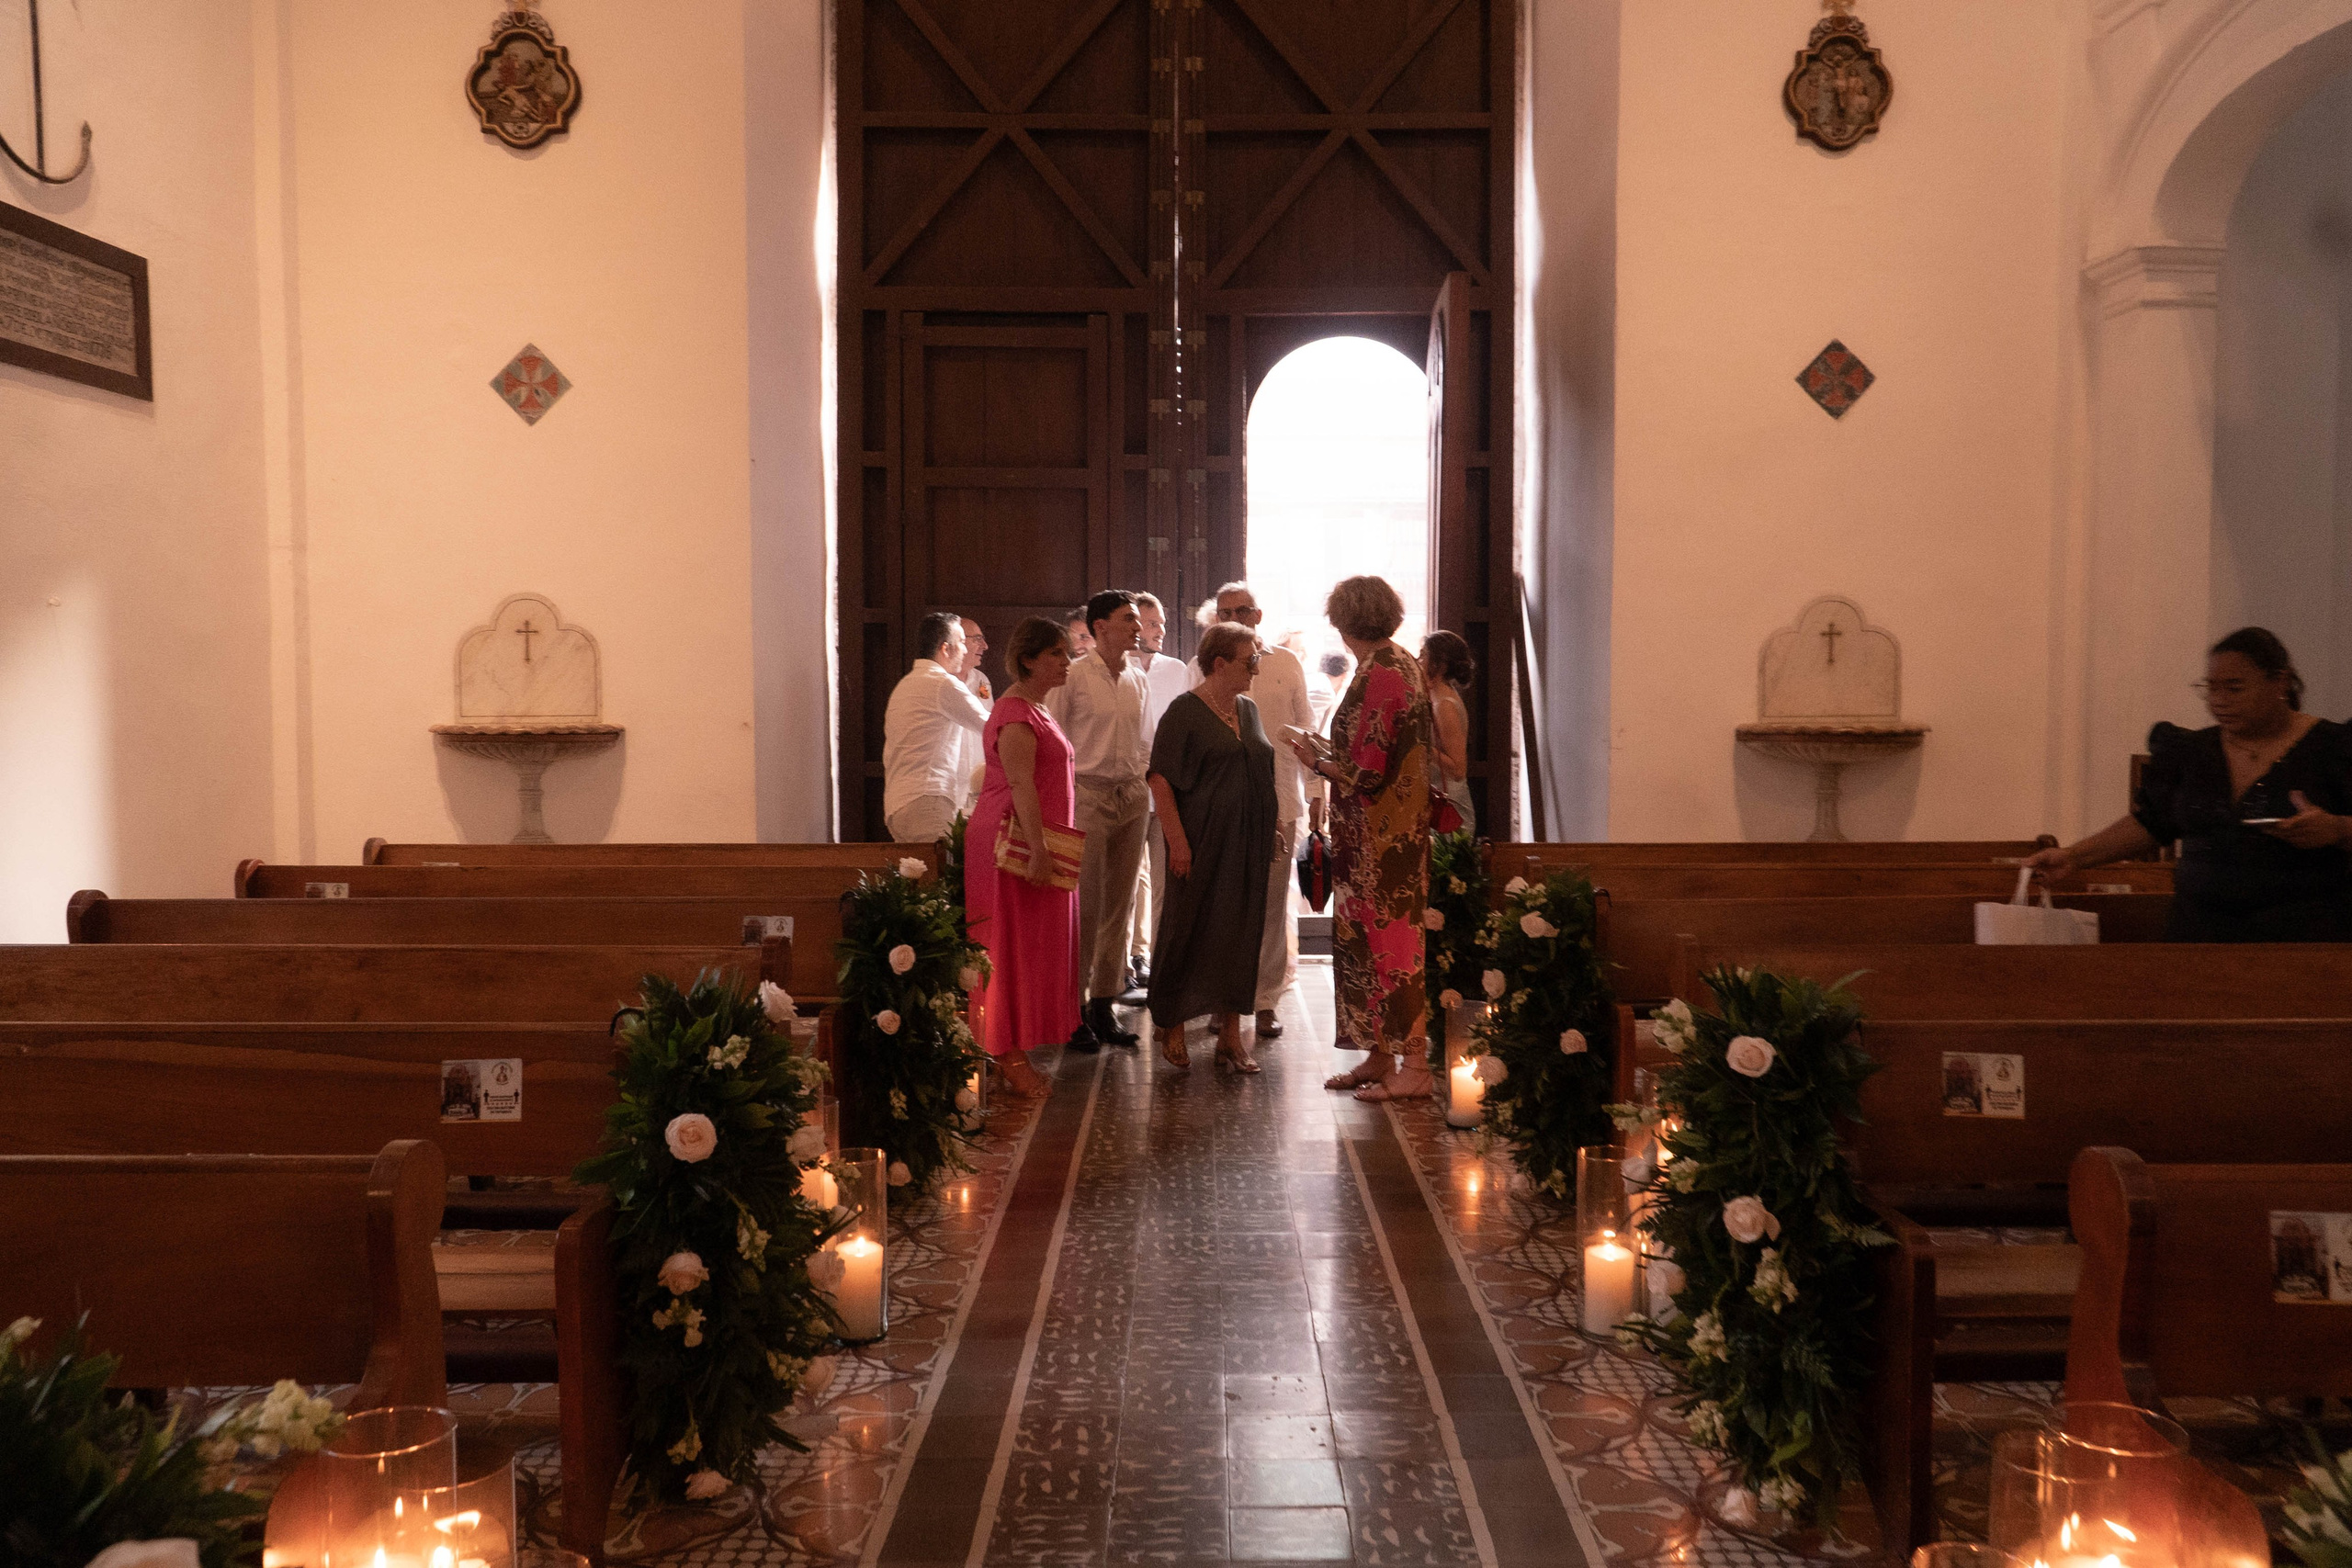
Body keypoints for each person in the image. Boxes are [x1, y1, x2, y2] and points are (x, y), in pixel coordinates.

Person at [2027, 626, 2352, 941]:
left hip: (2305, 936)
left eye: (2235, 688)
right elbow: (2152, 823)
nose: (2219, 701)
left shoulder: (2335, 749)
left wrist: (2338, 829)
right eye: (2211, 688)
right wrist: (2074, 857)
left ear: (2279, 682)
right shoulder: (2192, 752)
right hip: (2199, 930)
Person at [1287, 575, 1434, 1101]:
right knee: (1368, 947)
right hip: (1377, 835)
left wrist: (1315, 759)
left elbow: (1367, 771)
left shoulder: (1384, 674)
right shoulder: (1394, 664)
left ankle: (1414, 1065)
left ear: (1347, 623)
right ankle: (1379, 1054)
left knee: (1392, 948)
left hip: (1382, 840)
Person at [1148, 623, 1278, 1073]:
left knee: (1242, 932)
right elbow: (1161, 779)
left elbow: (1258, 768)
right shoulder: (1184, 712)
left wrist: (1272, 824)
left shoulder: (1248, 710)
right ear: (1219, 664)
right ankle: (1176, 1025)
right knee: (1191, 928)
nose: (1257, 669)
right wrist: (1177, 841)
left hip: (1249, 841)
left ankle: (1229, 1037)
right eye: (1250, 661)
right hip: (1201, 842)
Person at [965, 616, 1076, 1097]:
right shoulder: (1014, 713)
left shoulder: (1036, 707)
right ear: (1029, 659)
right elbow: (1021, 786)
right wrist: (1038, 850)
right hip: (1010, 843)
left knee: (1030, 949)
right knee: (1005, 949)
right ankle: (1005, 1052)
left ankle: (1016, 1047)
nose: (1066, 662)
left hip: (1031, 840)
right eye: (1056, 654)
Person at [1208, 581, 1317, 1040]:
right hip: (1224, 804)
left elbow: (1306, 729)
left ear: (1257, 615)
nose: (1234, 617)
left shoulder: (1286, 663)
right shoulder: (1208, 663)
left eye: (1242, 610)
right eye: (1225, 611)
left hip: (1280, 801)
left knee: (1273, 908)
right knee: (1225, 904)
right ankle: (1223, 1001)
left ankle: (1266, 1000)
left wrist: (1317, 794)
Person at [1044, 590, 1150, 1050]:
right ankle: (1073, 1009)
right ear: (1101, 626)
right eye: (1129, 619)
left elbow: (1142, 741)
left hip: (1130, 796)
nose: (1138, 627)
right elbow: (1053, 740)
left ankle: (1104, 1004)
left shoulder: (1136, 677)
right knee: (1084, 907)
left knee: (1120, 906)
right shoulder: (1074, 676)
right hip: (1086, 797)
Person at [880, 613, 989, 844]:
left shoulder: (907, 683)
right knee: (940, 877)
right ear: (945, 648)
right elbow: (989, 725)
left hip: (899, 802)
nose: (965, 649)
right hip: (926, 800)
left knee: (923, 877)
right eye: (961, 642)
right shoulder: (942, 683)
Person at [1421, 629, 1477, 836]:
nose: (1420, 661)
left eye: (1424, 655)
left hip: (1450, 808)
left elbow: (1458, 769)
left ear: (1440, 665)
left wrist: (1422, 747)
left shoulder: (1444, 704)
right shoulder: (1437, 697)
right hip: (1438, 802)